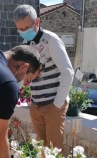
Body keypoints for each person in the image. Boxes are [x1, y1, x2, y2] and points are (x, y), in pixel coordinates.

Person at [14, 4, 74, 150]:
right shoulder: (25, 44)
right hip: (36, 105)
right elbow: (22, 75)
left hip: (53, 105)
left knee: (55, 152)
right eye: (20, 29)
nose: (23, 32)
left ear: (37, 22)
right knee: (41, 150)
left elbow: (67, 71)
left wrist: (57, 105)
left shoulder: (51, 40)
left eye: (26, 28)